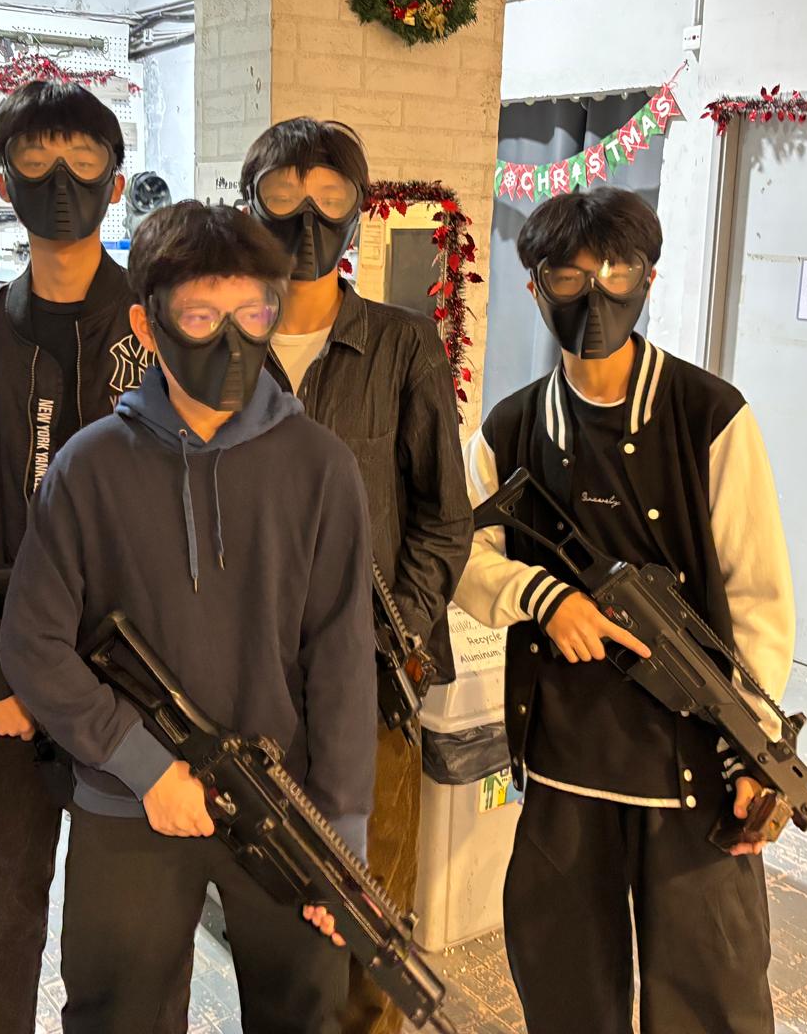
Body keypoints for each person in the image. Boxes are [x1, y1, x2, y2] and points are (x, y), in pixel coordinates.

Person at [0, 200, 376, 1033]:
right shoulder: (89, 468)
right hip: (127, 804)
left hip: (285, 803)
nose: (232, 340)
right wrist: (146, 767)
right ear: (148, 323)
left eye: (253, 314)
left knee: (305, 1014)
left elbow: (344, 658)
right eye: (202, 317)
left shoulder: (321, 468)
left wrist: (341, 831)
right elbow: (33, 644)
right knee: (116, 1016)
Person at [453, 186, 795, 1034]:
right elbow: (460, 553)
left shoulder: (709, 414)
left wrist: (757, 745)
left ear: (648, 278)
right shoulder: (511, 427)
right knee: (565, 987)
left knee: (711, 996)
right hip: (564, 760)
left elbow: (757, 595)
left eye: (617, 272)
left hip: (694, 764)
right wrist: (543, 600)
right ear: (535, 287)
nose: (595, 296)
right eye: (568, 278)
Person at [0, 79, 149, 1032]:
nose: (62, 183)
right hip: (9, 680)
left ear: (117, 183)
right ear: (3, 184)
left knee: (126, 922)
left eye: (84, 162)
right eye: (36, 162)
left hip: (133, 683)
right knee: (4, 909)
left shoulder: (162, 329)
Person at [239, 117, 472, 1034]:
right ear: (250, 206)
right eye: (283, 198)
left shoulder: (404, 345)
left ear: (357, 212)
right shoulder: (221, 348)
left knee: (371, 921)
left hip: (372, 687)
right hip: (250, 689)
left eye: (329, 199)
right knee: (271, 916)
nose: (306, 221)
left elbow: (443, 517)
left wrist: (392, 639)